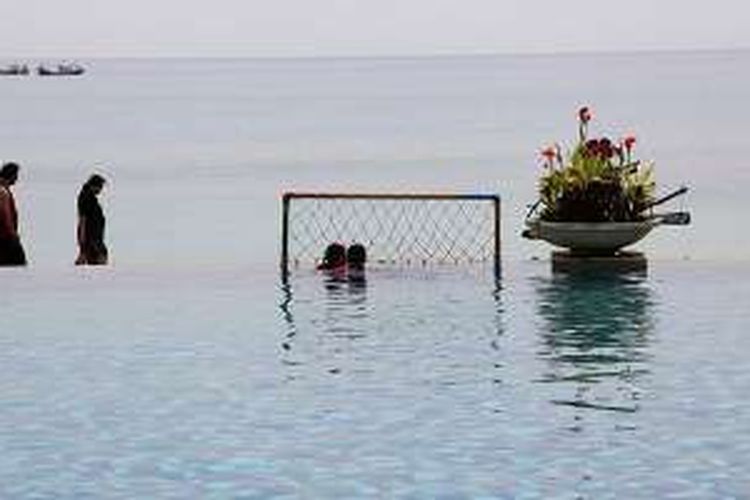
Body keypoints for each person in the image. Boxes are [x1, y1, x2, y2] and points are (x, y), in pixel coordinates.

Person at [75, 174, 108, 265]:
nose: (101, 190)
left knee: (99, 256)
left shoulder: (90, 197)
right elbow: (82, 219)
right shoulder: (85, 198)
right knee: (99, 257)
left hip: (94, 236)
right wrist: (82, 241)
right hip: (91, 237)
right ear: (94, 186)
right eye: (100, 187)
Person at [0, 162, 27, 266]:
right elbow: (6, 215)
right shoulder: (3, 192)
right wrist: (13, 235)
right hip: (5, 237)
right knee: (18, 264)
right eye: (16, 175)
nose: (17, 179)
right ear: (11, 175)